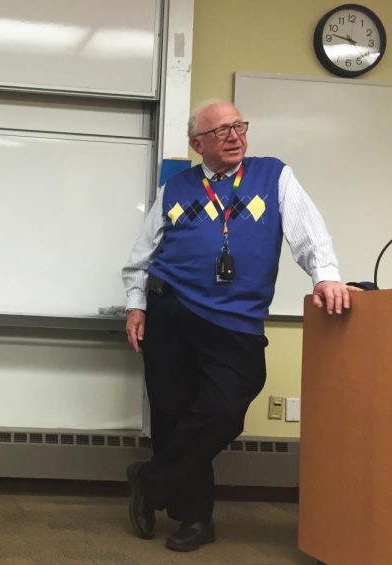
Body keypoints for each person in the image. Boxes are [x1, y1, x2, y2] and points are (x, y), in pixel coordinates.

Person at [121, 100, 353, 552]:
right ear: (197, 144)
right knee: (174, 415)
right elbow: (143, 254)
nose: (234, 136)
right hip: (170, 311)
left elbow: (309, 231)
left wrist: (325, 274)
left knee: (223, 411)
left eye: (238, 126)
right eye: (221, 130)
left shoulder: (273, 175)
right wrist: (136, 305)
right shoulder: (176, 188)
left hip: (235, 320)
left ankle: (149, 481)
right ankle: (195, 519)